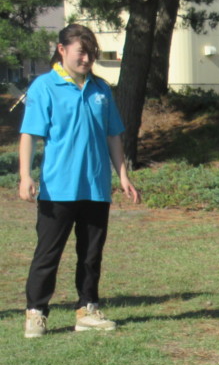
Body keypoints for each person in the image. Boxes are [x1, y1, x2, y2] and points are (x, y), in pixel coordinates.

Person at [19, 24, 141, 338]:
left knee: (90, 255)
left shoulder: (101, 89)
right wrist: (25, 176)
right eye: (81, 52)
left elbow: (113, 135)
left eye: (91, 53)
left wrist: (123, 176)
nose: (87, 59)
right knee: (48, 254)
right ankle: (36, 312)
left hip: (96, 188)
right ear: (62, 50)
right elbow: (29, 134)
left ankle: (87, 309)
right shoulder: (44, 86)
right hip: (58, 188)